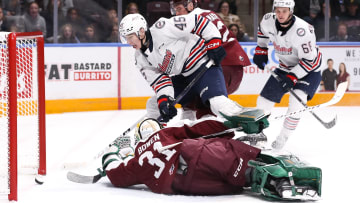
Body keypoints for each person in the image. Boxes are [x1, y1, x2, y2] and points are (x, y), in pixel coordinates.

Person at [95, 114, 321, 201]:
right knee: (239, 158)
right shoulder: (164, 133)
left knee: (238, 182)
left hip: (186, 184)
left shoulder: (137, 162)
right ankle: (279, 176)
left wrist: (114, 152)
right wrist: (233, 124)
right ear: (155, 128)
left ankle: (270, 181)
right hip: (193, 153)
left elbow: (115, 174)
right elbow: (200, 130)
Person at [119, 12, 251, 124]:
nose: (129, 42)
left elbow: (197, 21)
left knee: (218, 104)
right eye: (126, 38)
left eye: (130, 37)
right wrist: (165, 100)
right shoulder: (140, 58)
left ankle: (251, 122)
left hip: (203, 66)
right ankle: (153, 136)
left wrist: (213, 42)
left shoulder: (162, 28)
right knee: (155, 105)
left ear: (141, 32)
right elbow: (160, 82)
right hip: (183, 77)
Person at [253, 0, 323, 149]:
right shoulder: (268, 20)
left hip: (309, 70)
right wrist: (261, 49)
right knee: (264, 100)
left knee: (296, 103)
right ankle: (259, 134)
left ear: (291, 11)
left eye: (284, 11)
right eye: (278, 10)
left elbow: (309, 61)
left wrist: (293, 77)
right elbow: (262, 32)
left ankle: (282, 139)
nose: (280, 14)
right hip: (284, 67)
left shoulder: (303, 30)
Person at [167, 0, 251, 120]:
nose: (176, 14)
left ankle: (246, 122)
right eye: (174, 9)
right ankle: (193, 124)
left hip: (220, 65)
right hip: (234, 65)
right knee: (195, 95)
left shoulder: (190, 20)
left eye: (179, 9)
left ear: (190, 5)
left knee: (200, 99)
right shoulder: (208, 13)